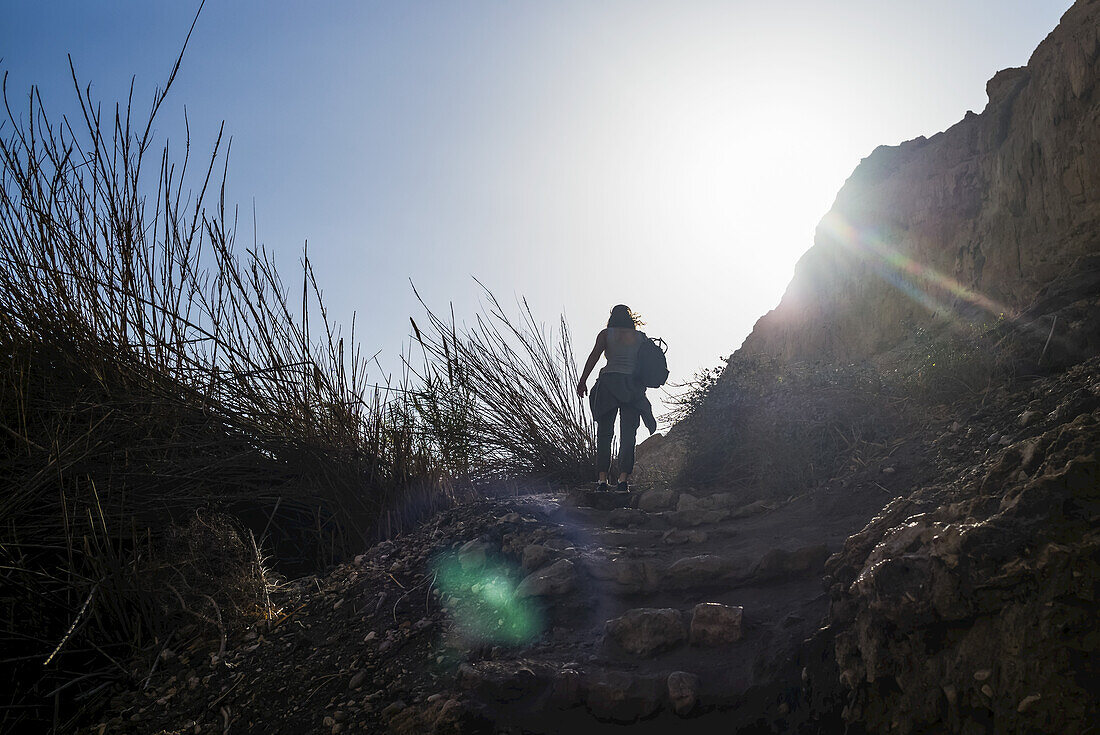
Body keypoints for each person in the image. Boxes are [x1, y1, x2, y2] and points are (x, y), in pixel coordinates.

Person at [576, 304, 657, 491]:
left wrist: (583, 380)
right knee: (628, 434)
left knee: (604, 434)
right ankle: (622, 480)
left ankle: (602, 480)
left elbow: (594, 356)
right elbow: (648, 362)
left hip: (608, 384)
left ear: (612, 317)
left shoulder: (605, 334)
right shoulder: (641, 337)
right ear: (631, 318)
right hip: (632, 388)